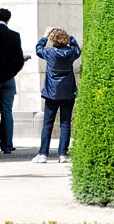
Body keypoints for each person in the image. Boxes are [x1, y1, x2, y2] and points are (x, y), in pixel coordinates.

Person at [31, 27, 81, 164]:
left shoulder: (49, 53)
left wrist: (45, 35)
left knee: (47, 124)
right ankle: (63, 155)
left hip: (52, 93)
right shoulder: (71, 53)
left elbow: (38, 48)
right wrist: (67, 35)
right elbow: (77, 49)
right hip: (68, 92)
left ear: (52, 40)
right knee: (65, 124)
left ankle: (43, 154)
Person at [0, 8, 27, 154]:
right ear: (8, 20)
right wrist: (12, 72)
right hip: (9, 79)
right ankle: (7, 146)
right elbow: (19, 59)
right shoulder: (14, 35)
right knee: (7, 112)